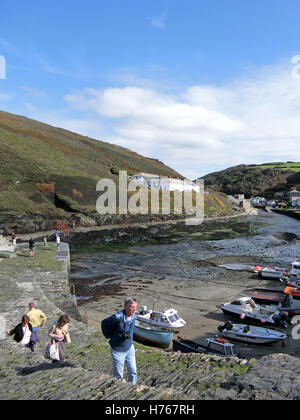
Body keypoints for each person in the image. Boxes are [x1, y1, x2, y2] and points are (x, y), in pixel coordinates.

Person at [101, 297, 138, 385]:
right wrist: (110, 336)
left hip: (129, 347)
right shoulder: (118, 317)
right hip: (118, 350)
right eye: (132, 307)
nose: (134, 309)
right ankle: (119, 389)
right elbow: (104, 323)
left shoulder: (134, 315)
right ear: (125, 307)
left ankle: (132, 387)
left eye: (135, 307)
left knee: (133, 371)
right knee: (118, 376)